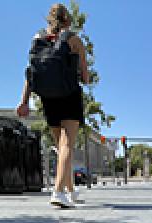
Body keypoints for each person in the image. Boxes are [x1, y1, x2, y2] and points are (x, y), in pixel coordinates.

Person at [17, 3, 90, 208]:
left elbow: (31, 74)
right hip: (69, 95)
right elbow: (85, 77)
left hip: (48, 98)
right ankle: (57, 191)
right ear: (68, 20)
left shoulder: (37, 38)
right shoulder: (74, 40)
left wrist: (23, 102)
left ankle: (70, 191)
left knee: (60, 147)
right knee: (67, 144)